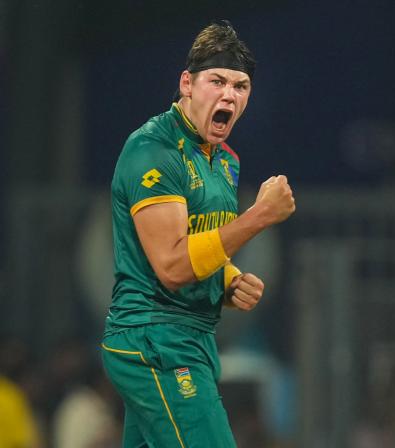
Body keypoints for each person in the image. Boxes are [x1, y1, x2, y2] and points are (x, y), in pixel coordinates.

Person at [101, 21, 296, 447]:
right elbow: (172, 266)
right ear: (186, 84)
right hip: (155, 338)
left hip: (193, 337)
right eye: (217, 81)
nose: (229, 95)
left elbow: (199, 243)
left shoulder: (225, 161)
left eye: (241, 86)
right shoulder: (153, 150)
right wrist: (259, 216)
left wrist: (227, 281)